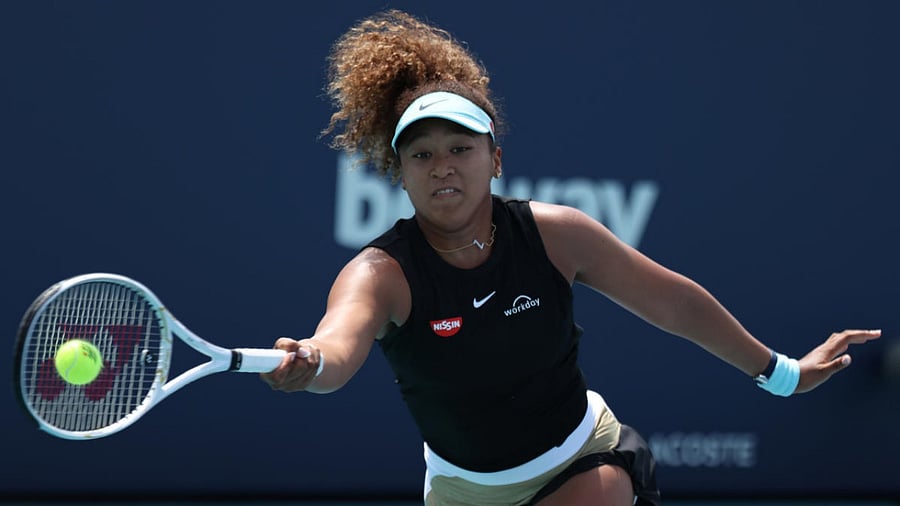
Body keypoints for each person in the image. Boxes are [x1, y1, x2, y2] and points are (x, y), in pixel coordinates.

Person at [261, 9, 880, 506]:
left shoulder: (556, 235)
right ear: (399, 173)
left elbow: (673, 303)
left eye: (461, 147)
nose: (442, 165)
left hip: (586, 460)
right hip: (461, 490)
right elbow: (338, 347)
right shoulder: (381, 273)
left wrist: (783, 374)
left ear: (495, 160)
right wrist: (310, 363)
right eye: (421, 155)